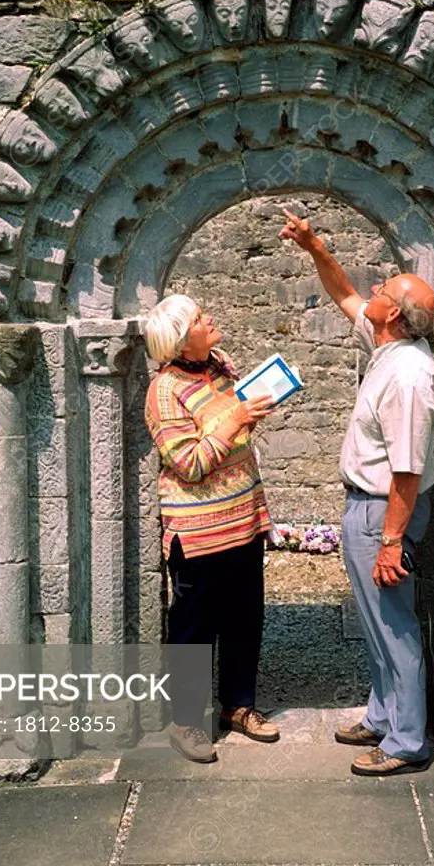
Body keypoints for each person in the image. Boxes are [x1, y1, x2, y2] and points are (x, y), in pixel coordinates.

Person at [279, 209, 434, 777]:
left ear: (393, 312)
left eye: (385, 289)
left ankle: (406, 743)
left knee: (393, 624)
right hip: (368, 508)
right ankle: (382, 714)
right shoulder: (384, 345)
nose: (373, 289)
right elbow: (345, 292)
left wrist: (392, 540)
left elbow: (407, 469)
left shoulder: (408, 376)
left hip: (384, 512)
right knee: (375, 620)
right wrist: (313, 245)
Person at [142, 294, 281, 763]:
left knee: (245, 618)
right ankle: (186, 722)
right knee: (194, 629)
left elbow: (234, 435)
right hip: (198, 530)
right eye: (201, 318)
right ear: (183, 338)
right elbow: (190, 463)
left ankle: (238, 706)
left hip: (240, 519)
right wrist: (236, 419)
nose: (211, 319)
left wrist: (247, 414)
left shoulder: (219, 366)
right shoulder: (164, 392)